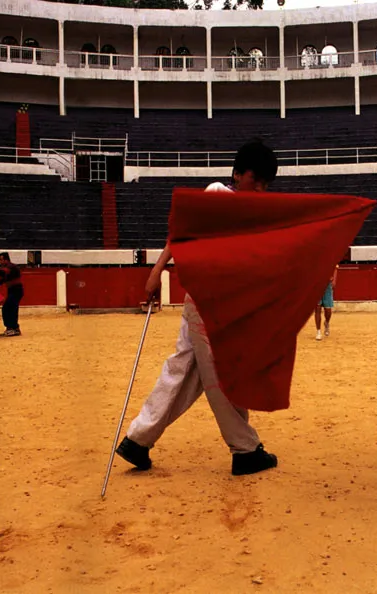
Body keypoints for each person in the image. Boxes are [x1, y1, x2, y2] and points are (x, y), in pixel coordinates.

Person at [116, 141, 280, 476]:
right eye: (256, 181)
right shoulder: (219, 193)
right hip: (211, 304)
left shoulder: (253, 214)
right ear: (238, 174)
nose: (260, 189)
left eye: (265, 185)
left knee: (182, 370)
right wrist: (157, 270)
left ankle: (138, 439)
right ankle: (245, 449)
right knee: (225, 374)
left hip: (221, 303)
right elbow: (182, 233)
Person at [0, 252, 23, 337]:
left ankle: (12, 328)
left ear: (5, 259)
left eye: (1, 259)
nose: (0, 261)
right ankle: (13, 328)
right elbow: (3, 279)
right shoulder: (9, 268)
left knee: (8, 308)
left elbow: (2, 272)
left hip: (16, 290)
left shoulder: (11, 267)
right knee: (10, 308)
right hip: (13, 290)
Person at [314, 265, 337, 341]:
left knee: (328, 310)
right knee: (317, 309)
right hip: (316, 285)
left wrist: (334, 280)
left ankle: (326, 322)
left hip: (327, 285)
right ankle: (318, 331)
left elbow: (335, 267)